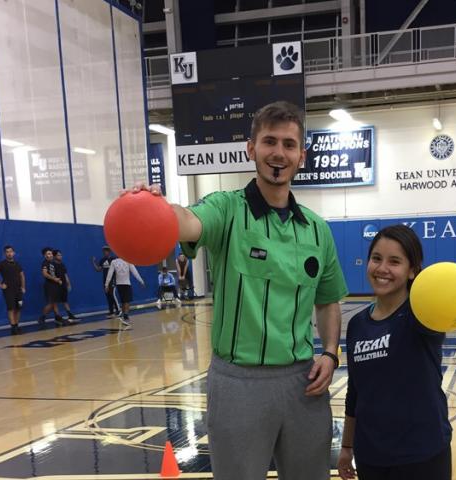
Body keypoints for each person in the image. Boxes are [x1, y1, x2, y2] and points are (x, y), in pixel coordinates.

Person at [130, 101, 348, 480]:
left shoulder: (317, 229)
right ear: (252, 149)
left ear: (301, 156)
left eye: (289, 144)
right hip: (238, 384)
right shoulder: (226, 210)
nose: (279, 152)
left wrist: (329, 353)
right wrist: (159, 209)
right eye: (269, 141)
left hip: (304, 384)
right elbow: (188, 221)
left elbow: (328, 300)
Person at [337, 225, 451, 480]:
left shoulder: (423, 316)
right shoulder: (357, 324)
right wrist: (346, 447)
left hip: (422, 454)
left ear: (412, 270)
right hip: (371, 455)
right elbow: (355, 392)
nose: (382, 268)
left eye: (395, 261)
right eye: (376, 258)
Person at [0, 245, 26, 335]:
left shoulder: (17, 264)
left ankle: (17, 325)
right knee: (11, 308)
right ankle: (13, 327)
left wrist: (23, 287)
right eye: (7, 252)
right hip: (8, 290)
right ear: (4, 253)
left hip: (18, 290)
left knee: (18, 308)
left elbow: (22, 276)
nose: (9, 253)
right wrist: (0, 285)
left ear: (14, 253)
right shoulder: (1, 264)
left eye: (10, 251)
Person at [105, 257, 145, 326]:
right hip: (126, 284)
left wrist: (106, 284)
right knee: (127, 301)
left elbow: (109, 274)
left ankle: (124, 316)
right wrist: (141, 281)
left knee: (124, 301)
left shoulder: (114, 262)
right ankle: (126, 317)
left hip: (119, 285)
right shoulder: (128, 260)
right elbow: (135, 272)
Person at [39, 247, 66, 327]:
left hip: (55, 285)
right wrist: (54, 279)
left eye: (50, 253)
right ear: (45, 255)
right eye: (48, 254)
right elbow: (45, 274)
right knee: (51, 303)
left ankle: (57, 317)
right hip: (49, 285)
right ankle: (42, 317)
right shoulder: (45, 263)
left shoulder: (53, 263)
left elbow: (56, 274)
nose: (50, 255)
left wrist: (59, 280)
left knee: (54, 303)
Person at [92, 246, 119, 317]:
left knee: (112, 294)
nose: (104, 252)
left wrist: (117, 278)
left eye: (106, 251)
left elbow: (117, 268)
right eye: (103, 251)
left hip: (112, 280)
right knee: (108, 296)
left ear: (109, 251)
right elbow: (98, 269)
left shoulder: (113, 259)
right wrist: (93, 262)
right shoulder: (102, 260)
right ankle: (111, 311)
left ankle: (118, 310)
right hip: (105, 281)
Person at [53, 250, 78, 323]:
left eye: (61, 255)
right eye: (58, 255)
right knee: (55, 302)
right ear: (54, 256)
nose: (60, 256)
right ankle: (57, 316)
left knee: (65, 300)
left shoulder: (62, 264)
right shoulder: (52, 265)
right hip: (55, 286)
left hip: (63, 285)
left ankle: (70, 314)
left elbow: (65, 275)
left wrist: (68, 283)